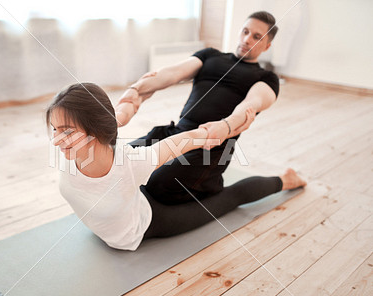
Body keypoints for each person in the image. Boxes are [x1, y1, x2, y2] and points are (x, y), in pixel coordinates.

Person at [47, 83, 306, 251]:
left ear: (94, 129)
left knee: (229, 200)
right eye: (55, 130)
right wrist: (132, 100)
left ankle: (287, 180)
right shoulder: (69, 153)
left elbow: (184, 141)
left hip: (145, 223)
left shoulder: (130, 163)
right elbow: (113, 120)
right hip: (128, 199)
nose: (58, 140)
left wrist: (231, 127)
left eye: (67, 131)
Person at [116, 11, 282, 205]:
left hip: (211, 147)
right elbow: (172, 73)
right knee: (121, 161)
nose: (247, 39)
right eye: (245, 31)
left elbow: (250, 105)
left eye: (256, 37)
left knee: (157, 182)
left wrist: (225, 126)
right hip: (177, 132)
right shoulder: (210, 55)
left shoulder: (267, 78)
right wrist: (135, 89)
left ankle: (209, 184)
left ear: (267, 45)